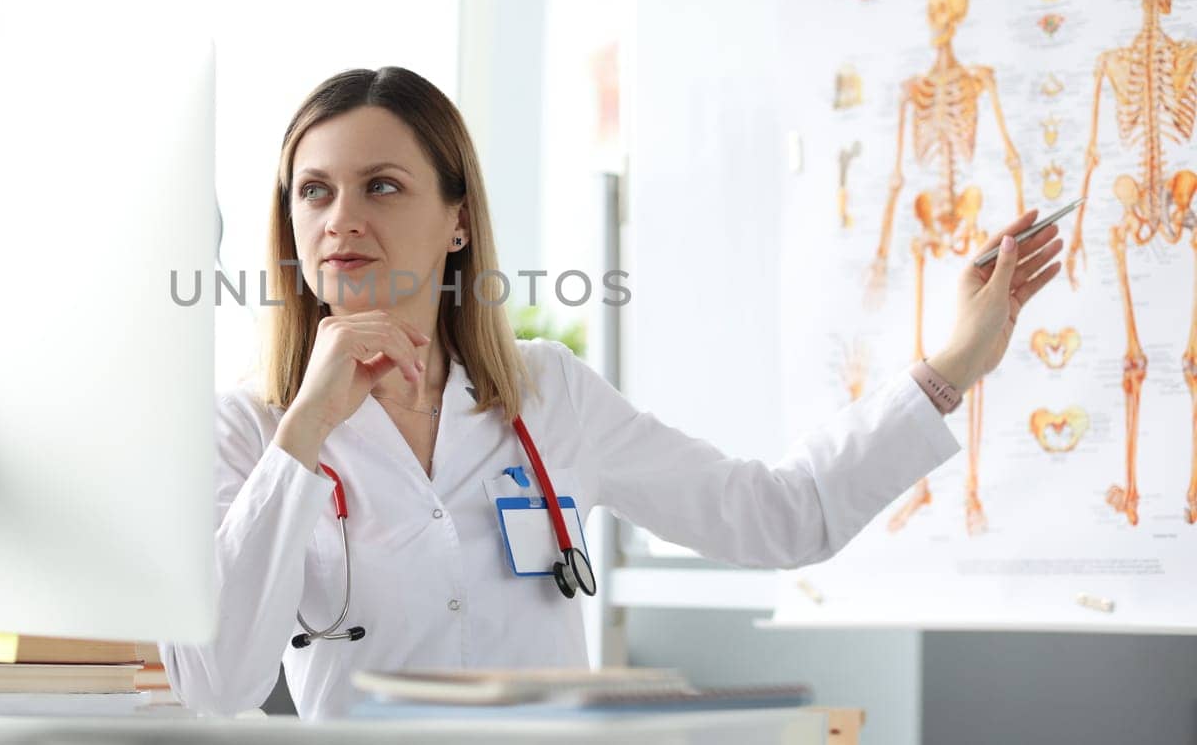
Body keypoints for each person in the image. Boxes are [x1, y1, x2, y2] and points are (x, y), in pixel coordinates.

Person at [160, 66, 1063, 719]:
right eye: (312, 192)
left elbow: (781, 516)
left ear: (458, 220)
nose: (340, 219)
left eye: (382, 186)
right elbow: (215, 683)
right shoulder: (251, 430)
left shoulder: (547, 393)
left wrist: (952, 367)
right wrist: (309, 426)